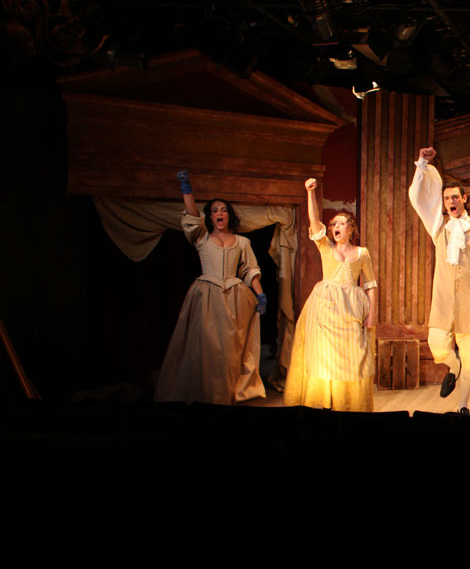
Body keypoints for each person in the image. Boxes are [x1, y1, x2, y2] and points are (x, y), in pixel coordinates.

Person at [155, 170, 267, 404]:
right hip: (206, 296)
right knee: (206, 345)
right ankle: (206, 393)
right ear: (210, 216)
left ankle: (226, 392)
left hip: (234, 297)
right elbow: (192, 215)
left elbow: (250, 270)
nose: (219, 213)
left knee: (230, 346)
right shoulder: (202, 238)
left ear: (229, 216)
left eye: (223, 210)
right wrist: (187, 190)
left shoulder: (242, 242)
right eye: (215, 210)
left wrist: (260, 295)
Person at [408, 147, 470, 415]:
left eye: (455, 197)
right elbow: (417, 198)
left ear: (464, 199)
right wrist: (422, 164)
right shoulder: (439, 226)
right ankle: (453, 366)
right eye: (446, 198)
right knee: (437, 346)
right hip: (443, 299)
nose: (451, 202)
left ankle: (463, 405)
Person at [283, 177, 378, 411]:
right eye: (334, 223)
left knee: (353, 355)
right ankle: (325, 403)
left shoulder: (362, 253)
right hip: (325, 307)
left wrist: (372, 315)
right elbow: (314, 221)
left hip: (351, 308)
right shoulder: (325, 247)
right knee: (325, 356)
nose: (336, 227)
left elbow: (371, 284)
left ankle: (349, 403)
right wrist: (310, 193)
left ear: (351, 229)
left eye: (341, 223)